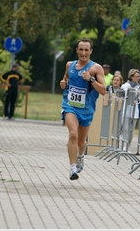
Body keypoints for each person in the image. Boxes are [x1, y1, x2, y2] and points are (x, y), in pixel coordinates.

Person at [60, 38, 106, 180]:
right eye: (81, 49)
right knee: (73, 134)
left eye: (86, 50)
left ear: (91, 51)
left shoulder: (96, 68)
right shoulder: (70, 65)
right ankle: (72, 168)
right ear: (77, 50)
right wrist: (63, 84)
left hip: (86, 109)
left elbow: (103, 90)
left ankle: (80, 156)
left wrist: (91, 80)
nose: (83, 53)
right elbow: (66, 80)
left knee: (81, 141)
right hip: (70, 106)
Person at [120, 69, 140, 151]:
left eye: (139, 76)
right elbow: (127, 96)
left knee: (131, 130)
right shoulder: (125, 86)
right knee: (125, 128)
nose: (138, 78)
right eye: (137, 76)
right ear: (132, 77)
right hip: (126, 110)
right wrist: (135, 94)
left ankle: (128, 145)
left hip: (135, 111)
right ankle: (124, 145)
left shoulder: (139, 87)